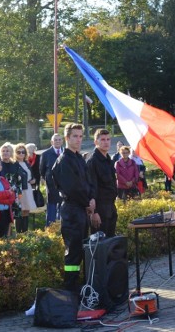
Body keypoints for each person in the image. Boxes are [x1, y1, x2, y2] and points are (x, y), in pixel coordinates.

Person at [51, 123, 95, 291]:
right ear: (67, 138)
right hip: (71, 211)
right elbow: (72, 188)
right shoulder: (64, 161)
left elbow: (88, 182)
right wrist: (87, 202)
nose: (78, 139)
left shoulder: (78, 158)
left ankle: (81, 286)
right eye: (74, 136)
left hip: (82, 209)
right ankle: (70, 288)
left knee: (82, 250)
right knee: (73, 253)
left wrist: (91, 199)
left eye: (80, 136)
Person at [86, 128, 117, 237]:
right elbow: (91, 188)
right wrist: (95, 212)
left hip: (110, 206)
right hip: (100, 209)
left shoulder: (108, 159)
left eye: (108, 139)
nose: (106, 142)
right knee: (100, 246)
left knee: (110, 243)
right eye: (102, 139)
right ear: (96, 142)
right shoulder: (92, 161)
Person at [41, 133, 64, 226]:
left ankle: (61, 229)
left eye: (59, 139)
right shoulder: (45, 154)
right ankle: (50, 230)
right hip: (51, 187)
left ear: (62, 141)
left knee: (62, 209)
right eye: (55, 140)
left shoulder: (66, 152)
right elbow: (42, 170)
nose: (58, 141)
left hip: (64, 186)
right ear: (51, 142)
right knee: (52, 210)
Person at [13, 143, 37, 232]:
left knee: (27, 211)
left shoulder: (27, 163)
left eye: (23, 152)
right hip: (20, 190)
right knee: (20, 211)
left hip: (28, 189)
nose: (21, 154)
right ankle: (19, 233)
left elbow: (31, 175)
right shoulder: (14, 164)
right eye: (19, 152)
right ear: (15, 153)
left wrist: (33, 180)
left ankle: (25, 232)